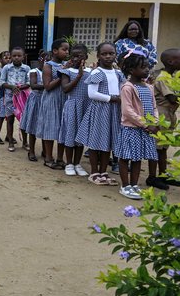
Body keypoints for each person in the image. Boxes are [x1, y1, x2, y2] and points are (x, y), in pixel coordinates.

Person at [76, 42, 125, 186]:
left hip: (114, 111)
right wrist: (112, 98)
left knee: (107, 142)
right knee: (96, 141)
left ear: (115, 54)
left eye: (111, 53)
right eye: (104, 54)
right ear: (98, 56)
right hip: (100, 110)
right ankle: (94, 172)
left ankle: (104, 172)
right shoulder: (97, 72)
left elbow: (123, 89)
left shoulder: (118, 73)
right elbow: (92, 93)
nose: (108, 56)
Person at [115, 50, 158, 199]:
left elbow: (154, 107)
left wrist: (155, 122)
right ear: (132, 70)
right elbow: (127, 111)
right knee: (125, 157)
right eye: (143, 67)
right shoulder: (127, 87)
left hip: (146, 129)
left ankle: (134, 185)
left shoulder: (149, 87)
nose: (147, 69)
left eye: (147, 66)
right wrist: (145, 124)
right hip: (131, 128)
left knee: (138, 158)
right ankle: (125, 186)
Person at [58, 44, 92, 176]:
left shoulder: (91, 72)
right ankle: (69, 163)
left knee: (80, 136)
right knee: (70, 134)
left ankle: (78, 163)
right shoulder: (67, 71)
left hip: (85, 106)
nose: (77, 59)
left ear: (86, 57)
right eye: (74, 56)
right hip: (72, 106)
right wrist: (78, 76)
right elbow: (65, 89)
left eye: (80, 56)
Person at [36, 39, 69, 169]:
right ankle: (48, 158)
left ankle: (60, 158)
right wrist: (62, 74)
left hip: (64, 99)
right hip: (51, 100)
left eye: (68, 49)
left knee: (62, 129)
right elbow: (47, 86)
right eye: (64, 49)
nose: (67, 52)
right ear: (55, 51)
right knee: (50, 128)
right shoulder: (48, 65)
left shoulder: (67, 64)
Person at [150, 48, 180, 189]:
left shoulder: (171, 76)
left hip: (169, 116)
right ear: (170, 61)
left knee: (163, 148)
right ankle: (152, 177)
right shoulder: (163, 78)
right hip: (161, 116)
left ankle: (163, 175)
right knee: (157, 147)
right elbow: (172, 98)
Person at [0, 47, 30, 152]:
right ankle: (11, 141)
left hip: (22, 98)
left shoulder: (26, 68)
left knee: (23, 120)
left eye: (19, 56)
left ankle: (25, 142)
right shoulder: (6, 68)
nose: (16, 58)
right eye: (14, 56)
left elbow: (29, 82)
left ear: (23, 57)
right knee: (10, 119)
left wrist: (21, 87)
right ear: (11, 57)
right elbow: (2, 82)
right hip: (9, 98)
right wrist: (12, 87)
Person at [20, 51, 46, 162]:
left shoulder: (53, 73)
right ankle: (31, 151)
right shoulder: (34, 72)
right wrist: (49, 85)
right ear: (40, 60)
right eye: (45, 60)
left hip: (46, 101)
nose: (47, 62)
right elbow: (33, 85)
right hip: (36, 100)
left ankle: (45, 151)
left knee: (46, 126)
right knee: (33, 126)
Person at [0, 51, 11, 144]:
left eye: (9, 58)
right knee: (2, 116)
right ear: (0, 60)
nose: (8, 60)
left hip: (11, 97)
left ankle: (8, 135)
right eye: (5, 58)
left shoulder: (12, 70)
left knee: (10, 117)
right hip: (3, 96)